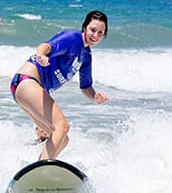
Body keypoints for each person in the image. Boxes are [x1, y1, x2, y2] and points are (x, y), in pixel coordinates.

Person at [10, 10, 109, 160]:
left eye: (100, 32)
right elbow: (46, 46)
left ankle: (34, 167)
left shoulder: (86, 56)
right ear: (85, 27)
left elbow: (85, 87)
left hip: (27, 88)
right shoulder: (73, 38)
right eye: (92, 30)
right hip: (27, 80)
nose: (95, 35)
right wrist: (41, 55)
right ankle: (41, 169)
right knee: (62, 127)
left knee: (62, 138)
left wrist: (95, 97)